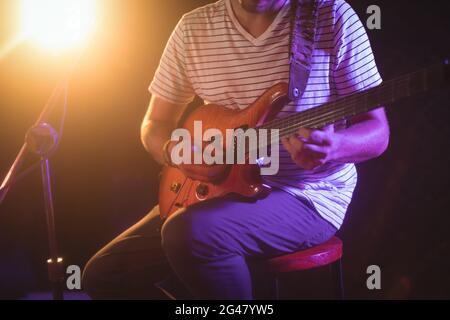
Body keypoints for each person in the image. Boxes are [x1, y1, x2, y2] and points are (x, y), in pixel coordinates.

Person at [82, 0, 390, 299]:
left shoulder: (330, 15)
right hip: (215, 189)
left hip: (307, 195)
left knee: (190, 234)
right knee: (105, 276)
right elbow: (154, 123)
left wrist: (334, 147)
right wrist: (176, 152)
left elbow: (378, 132)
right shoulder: (193, 28)